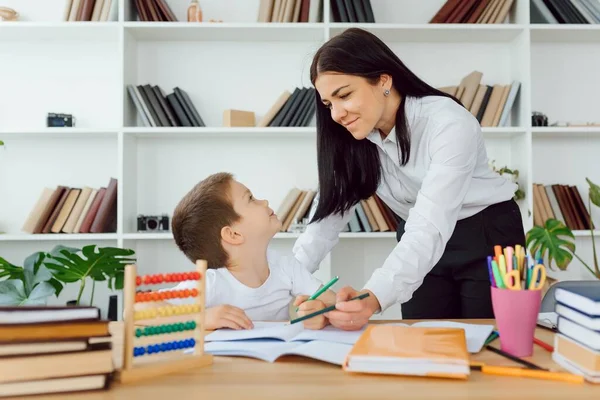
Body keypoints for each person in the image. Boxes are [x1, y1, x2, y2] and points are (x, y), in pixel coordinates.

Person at [291, 28, 526, 330]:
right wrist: (284, 284)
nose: (336, 113)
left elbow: (431, 222)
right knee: (423, 342)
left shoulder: (448, 123)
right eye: (328, 104)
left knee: (489, 344)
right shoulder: (354, 138)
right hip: (417, 238)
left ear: (383, 81)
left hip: (487, 234)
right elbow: (323, 224)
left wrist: (372, 297)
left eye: (344, 95)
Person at [161, 172, 336, 330]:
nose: (264, 201)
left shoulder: (286, 267)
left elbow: (332, 301)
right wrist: (199, 318)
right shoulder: (211, 283)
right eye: (251, 198)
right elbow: (138, 306)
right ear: (233, 234)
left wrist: (323, 311)